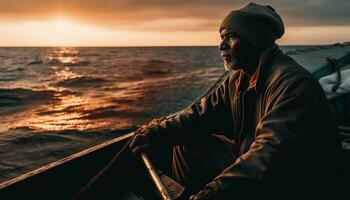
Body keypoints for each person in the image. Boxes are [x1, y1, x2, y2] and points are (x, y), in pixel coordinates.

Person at [130, 2, 341, 199]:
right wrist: (156, 133)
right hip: (257, 161)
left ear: (255, 39)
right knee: (186, 141)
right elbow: (200, 115)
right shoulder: (239, 79)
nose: (221, 46)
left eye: (230, 36)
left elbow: (268, 156)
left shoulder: (294, 86)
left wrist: (214, 192)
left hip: (296, 182)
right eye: (221, 37)